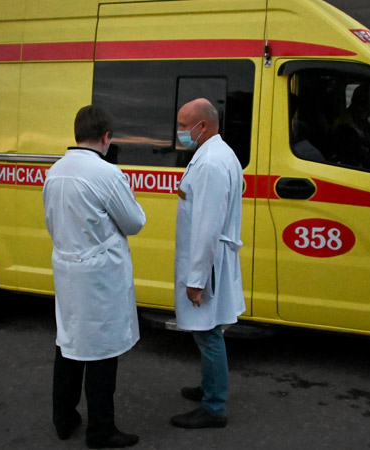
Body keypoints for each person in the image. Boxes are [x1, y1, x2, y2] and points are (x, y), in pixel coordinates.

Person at [43, 105, 146, 448]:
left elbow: (52, 221)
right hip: (99, 276)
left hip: (67, 268)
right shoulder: (107, 174)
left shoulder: (55, 171)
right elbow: (134, 222)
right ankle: (101, 430)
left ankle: (64, 418)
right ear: (106, 137)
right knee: (102, 351)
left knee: (69, 343)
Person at [171, 98, 245, 429]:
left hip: (208, 263)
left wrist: (196, 280)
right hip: (212, 259)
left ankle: (214, 407)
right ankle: (208, 387)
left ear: (203, 126)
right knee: (207, 330)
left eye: (184, 126)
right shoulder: (218, 154)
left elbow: (206, 227)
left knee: (208, 333)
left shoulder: (210, 164)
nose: (180, 132)